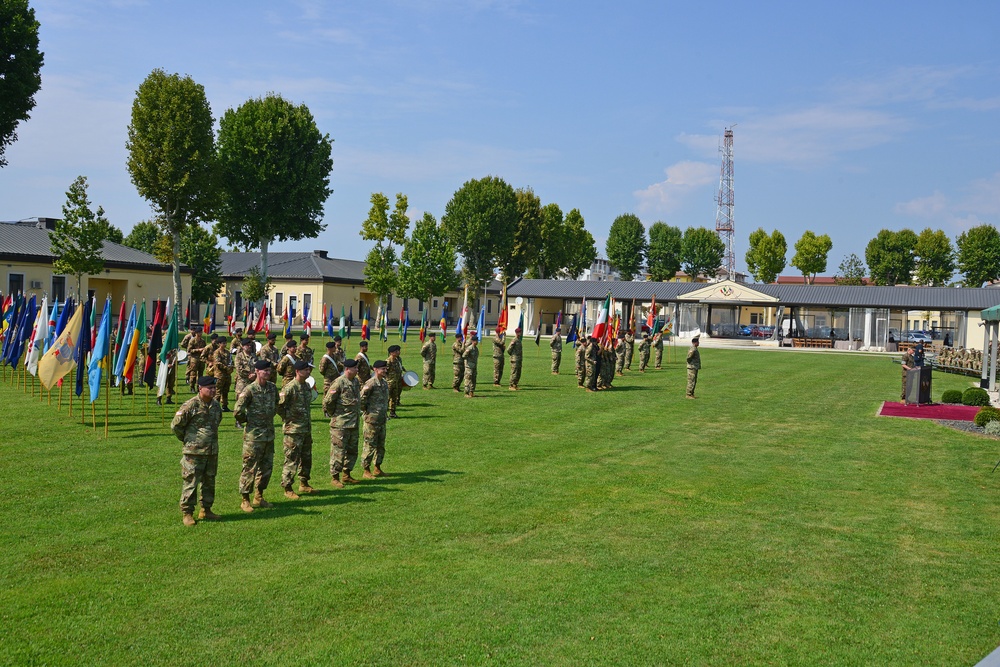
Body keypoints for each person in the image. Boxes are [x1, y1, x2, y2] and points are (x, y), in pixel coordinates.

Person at [172, 376, 224, 526]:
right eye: (210, 388)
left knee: (209, 481)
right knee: (191, 482)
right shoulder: (191, 405)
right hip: (194, 453)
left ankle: (206, 509)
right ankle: (187, 513)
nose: (213, 390)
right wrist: (189, 440)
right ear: (200, 389)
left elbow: (217, 422)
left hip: (211, 451)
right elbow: (176, 426)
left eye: (214, 388)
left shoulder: (215, 405)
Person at [233, 359, 278, 512]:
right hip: (253, 437)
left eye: (269, 370)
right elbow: (238, 411)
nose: (267, 373)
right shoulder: (249, 390)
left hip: (268, 435)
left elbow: (277, 405)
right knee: (250, 468)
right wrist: (248, 421)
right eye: (264, 370)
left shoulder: (272, 388)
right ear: (257, 371)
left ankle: (259, 496)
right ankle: (245, 499)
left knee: (266, 468)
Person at [276, 359, 315, 499]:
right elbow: (279, 405)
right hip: (293, 430)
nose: (308, 371)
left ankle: (304, 483)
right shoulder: (290, 387)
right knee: (292, 459)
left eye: (309, 369)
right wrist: (288, 418)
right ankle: (287, 487)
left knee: (306, 458)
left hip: (305, 428)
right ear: (298, 371)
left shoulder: (305, 386)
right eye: (306, 369)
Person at [324, 358, 361, 488]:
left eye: (357, 368)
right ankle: (335, 477)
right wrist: (335, 414)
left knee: (352, 451)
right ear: (347, 369)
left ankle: (347, 474)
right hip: (340, 424)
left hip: (354, 423)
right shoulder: (339, 382)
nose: (357, 370)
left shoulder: (355, 381)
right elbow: (328, 401)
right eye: (354, 368)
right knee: (338, 451)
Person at [360, 359, 390, 478]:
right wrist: (368, 412)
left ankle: (377, 467)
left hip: (381, 419)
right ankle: (366, 470)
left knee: (380, 445)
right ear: (375, 370)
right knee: (369, 445)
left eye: (385, 368)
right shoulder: (370, 383)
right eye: (382, 369)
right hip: (371, 420)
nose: (385, 370)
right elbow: (362, 399)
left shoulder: (384, 383)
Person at [212, 336, 235, 411]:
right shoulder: (217, 352)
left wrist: (231, 367)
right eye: (223, 343)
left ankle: (225, 406)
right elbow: (218, 363)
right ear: (219, 344)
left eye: (225, 343)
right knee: (218, 392)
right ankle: (215, 406)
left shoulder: (227, 352)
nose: (225, 344)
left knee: (226, 391)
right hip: (219, 375)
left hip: (227, 375)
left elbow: (231, 361)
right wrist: (226, 368)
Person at [385, 344, 404, 418]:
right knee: (387, 398)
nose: (398, 352)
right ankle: (385, 414)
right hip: (389, 382)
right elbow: (384, 372)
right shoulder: (388, 361)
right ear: (391, 353)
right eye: (396, 351)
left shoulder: (397, 360)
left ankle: (392, 412)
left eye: (398, 351)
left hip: (396, 382)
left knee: (394, 398)